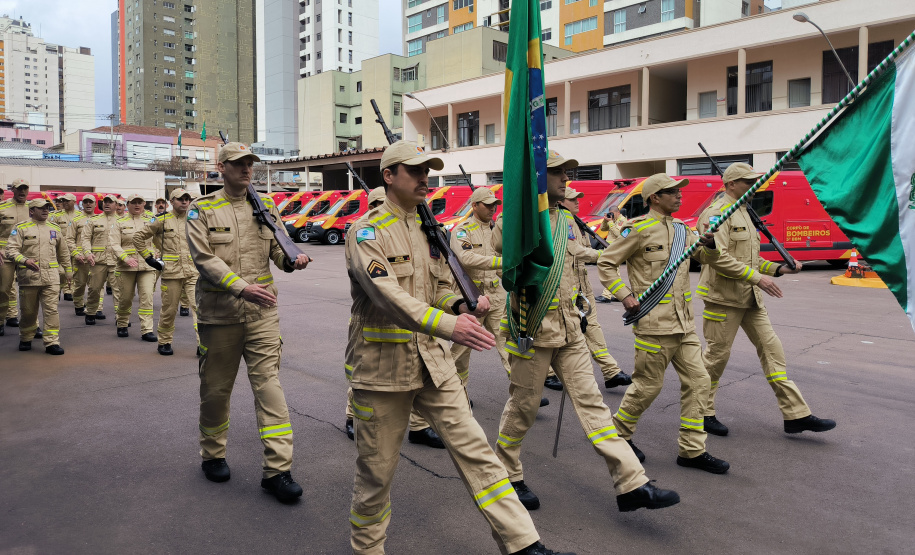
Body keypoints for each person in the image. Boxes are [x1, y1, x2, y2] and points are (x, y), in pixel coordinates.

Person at [344, 140, 572, 555]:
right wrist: (451, 324)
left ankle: (524, 544)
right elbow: (387, 295)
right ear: (389, 176)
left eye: (426, 171)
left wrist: (460, 304)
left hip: (433, 363)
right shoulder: (366, 233)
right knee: (376, 474)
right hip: (382, 371)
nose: (424, 178)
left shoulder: (429, 230)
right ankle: (367, 548)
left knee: (479, 454)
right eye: (414, 171)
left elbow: (439, 288)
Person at [494, 151, 679, 514]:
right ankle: (507, 473)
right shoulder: (515, 219)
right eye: (557, 173)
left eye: (567, 173)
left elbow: (574, 251)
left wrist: (608, 254)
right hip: (532, 329)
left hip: (569, 328)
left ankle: (631, 483)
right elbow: (506, 252)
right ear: (537, 177)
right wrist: (527, 211)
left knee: (593, 404)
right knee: (523, 408)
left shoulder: (565, 218)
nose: (566, 179)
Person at [187, 142, 312, 503]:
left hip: (262, 314)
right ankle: (213, 453)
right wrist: (242, 288)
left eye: (250, 164)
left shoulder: (265, 205)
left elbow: (277, 248)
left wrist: (292, 260)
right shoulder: (202, 209)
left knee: (270, 388)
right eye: (238, 163)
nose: (246, 169)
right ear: (221, 167)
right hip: (219, 315)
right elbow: (204, 259)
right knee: (215, 390)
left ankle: (277, 470)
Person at [598, 173, 735, 474]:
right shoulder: (637, 230)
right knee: (647, 387)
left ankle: (692, 450)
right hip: (653, 323)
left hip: (684, 324)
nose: (679, 196)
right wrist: (624, 295)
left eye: (679, 192)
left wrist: (710, 243)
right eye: (672, 192)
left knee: (699, 382)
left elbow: (704, 257)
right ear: (655, 198)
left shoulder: (683, 229)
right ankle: (619, 436)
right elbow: (606, 263)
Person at [697, 163, 836, 436]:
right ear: (731, 184)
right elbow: (717, 259)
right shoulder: (716, 214)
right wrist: (757, 278)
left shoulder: (744, 211)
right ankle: (701, 412)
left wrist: (778, 269)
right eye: (748, 182)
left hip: (749, 298)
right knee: (715, 359)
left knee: (773, 353)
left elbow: (749, 258)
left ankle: (796, 415)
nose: (755, 186)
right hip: (723, 298)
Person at [553, 187, 632, 391]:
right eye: (572, 199)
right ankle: (548, 373)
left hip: (582, 285)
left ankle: (611, 371)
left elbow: (585, 249)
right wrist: (603, 255)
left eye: (578, 198)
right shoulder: (560, 221)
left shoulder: (578, 223)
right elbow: (574, 250)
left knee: (592, 327)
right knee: (561, 330)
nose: (577, 202)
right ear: (561, 202)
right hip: (566, 286)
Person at [134, 188, 199, 356]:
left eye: (187, 199)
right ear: (171, 202)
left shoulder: (194, 218)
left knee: (199, 309)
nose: (184, 201)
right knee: (169, 310)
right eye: (180, 199)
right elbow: (138, 237)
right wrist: (149, 258)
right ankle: (164, 342)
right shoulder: (161, 220)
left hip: (193, 271)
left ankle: (203, 344)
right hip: (171, 273)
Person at [344, 186, 387, 440]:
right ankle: (352, 416)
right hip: (369, 313)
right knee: (362, 373)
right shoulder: (362, 230)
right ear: (371, 206)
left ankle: (418, 425)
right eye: (378, 204)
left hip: (402, 315)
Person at [6, 198, 70, 354]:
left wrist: (68, 271)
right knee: (28, 311)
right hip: (29, 277)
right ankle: (26, 337)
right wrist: (24, 260)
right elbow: (10, 250)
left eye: (47, 207)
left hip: (51, 277)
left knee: (51, 310)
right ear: (31, 211)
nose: (45, 210)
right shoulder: (21, 228)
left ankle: (52, 342)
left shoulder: (54, 228)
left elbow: (63, 252)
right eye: (41, 208)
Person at [110, 194, 158, 341]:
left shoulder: (151, 221)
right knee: (125, 299)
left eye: (139, 202)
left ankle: (147, 330)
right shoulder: (119, 222)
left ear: (144, 204)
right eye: (133, 203)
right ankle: (122, 323)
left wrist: (157, 253)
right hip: (126, 267)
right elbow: (114, 244)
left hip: (147, 266)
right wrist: (125, 258)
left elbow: (158, 240)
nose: (137, 205)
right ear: (127, 205)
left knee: (147, 297)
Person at [82, 194, 120, 324]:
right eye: (105, 202)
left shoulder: (122, 221)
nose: (107, 204)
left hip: (116, 262)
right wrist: (87, 253)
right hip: (97, 261)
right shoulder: (94, 220)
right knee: (94, 289)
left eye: (110, 202)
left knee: (119, 291)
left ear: (116, 205)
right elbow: (85, 238)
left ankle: (121, 318)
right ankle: (91, 312)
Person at [0, 179, 31, 334]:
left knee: (30, 291)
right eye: (19, 188)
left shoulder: (33, 208)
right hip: (5, 254)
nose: (22, 191)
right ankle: (0, 320)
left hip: (28, 254)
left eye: (25, 188)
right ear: (12, 190)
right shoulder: (2, 208)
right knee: (4, 289)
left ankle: (30, 325)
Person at [71, 195, 97, 316]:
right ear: (82, 204)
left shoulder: (99, 219)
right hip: (81, 258)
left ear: (95, 204)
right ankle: (78, 305)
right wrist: (76, 254)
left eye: (90, 202)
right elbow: (69, 239)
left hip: (96, 258)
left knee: (95, 286)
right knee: (80, 284)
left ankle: (95, 308)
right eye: (85, 202)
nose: (88, 204)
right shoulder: (76, 220)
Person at [50, 193, 79, 301]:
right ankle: (58, 288)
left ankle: (68, 291)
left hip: (75, 247)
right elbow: (52, 230)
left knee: (73, 270)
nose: (65, 203)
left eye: (67, 201)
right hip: (60, 248)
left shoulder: (80, 215)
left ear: (74, 202)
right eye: (64, 201)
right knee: (61, 272)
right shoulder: (56, 215)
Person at [595, 206, 627, 303]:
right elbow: (602, 229)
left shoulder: (622, 221)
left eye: (612, 213)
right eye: (610, 213)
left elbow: (619, 234)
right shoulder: (612, 220)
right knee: (616, 272)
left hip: (616, 249)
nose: (611, 215)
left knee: (611, 270)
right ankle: (620, 294)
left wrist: (610, 222)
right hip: (609, 248)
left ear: (618, 213)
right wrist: (605, 221)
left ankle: (606, 295)